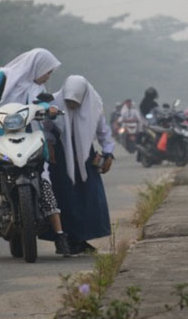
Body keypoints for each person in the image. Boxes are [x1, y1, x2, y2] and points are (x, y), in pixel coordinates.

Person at [0, 48, 71, 261]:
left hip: (32, 140)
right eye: (48, 71)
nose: (48, 76)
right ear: (37, 66)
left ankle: (61, 237)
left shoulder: (38, 86)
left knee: (44, 182)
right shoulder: (1, 77)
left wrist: (49, 108)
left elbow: (42, 103)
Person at [46, 75, 115, 255]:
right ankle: (65, 239)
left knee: (86, 198)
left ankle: (80, 239)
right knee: (63, 197)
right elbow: (44, 126)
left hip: (85, 156)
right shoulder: (53, 102)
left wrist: (108, 152)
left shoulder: (95, 106)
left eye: (76, 102)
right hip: (60, 157)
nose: (71, 106)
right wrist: (49, 143)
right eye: (69, 101)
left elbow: (103, 132)